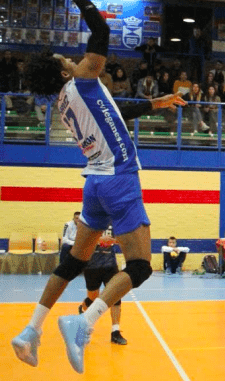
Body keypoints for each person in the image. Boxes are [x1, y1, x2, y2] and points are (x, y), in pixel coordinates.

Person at [12, 0, 186, 373]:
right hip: (119, 179)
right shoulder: (83, 80)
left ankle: (30, 331)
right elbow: (102, 32)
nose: (74, 60)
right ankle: (84, 322)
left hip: (93, 183)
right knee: (140, 267)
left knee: (74, 260)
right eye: (67, 60)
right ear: (64, 74)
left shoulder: (68, 102)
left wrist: (156, 103)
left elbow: (116, 115)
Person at [77, 226, 126, 345]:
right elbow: (79, 240)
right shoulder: (89, 220)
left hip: (110, 265)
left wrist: (114, 241)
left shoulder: (115, 222)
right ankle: (83, 308)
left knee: (115, 297)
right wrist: (99, 239)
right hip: (91, 265)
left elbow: (124, 239)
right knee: (93, 299)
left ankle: (115, 332)